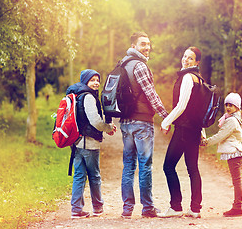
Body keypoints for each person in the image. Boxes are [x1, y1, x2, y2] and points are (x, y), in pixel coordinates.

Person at [119, 32, 169, 218]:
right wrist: (166, 117)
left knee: (128, 165)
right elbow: (151, 94)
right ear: (134, 46)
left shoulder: (122, 64)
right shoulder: (139, 65)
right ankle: (147, 208)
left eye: (148, 44)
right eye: (143, 44)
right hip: (141, 122)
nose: (147, 47)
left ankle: (127, 209)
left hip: (125, 122)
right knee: (145, 164)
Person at [159, 47, 204, 219]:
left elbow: (181, 106)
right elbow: (200, 110)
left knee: (168, 166)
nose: (186, 60)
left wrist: (165, 122)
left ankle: (176, 206)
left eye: (190, 58)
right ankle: (195, 209)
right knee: (193, 168)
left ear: (197, 62)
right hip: (194, 129)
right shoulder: (199, 79)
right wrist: (203, 133)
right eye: (185, 56)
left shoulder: (187, 77)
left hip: (184, 130)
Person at [66, 69, 116, 219]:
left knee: (79, 175)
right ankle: (98, 207)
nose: (96, 83)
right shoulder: (88, 97)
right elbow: (95, 121)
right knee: (94, 175)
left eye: (97, 80)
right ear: (85, 81)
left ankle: (76, 209)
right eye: (92, 80)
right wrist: (108, 128)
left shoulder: (77, 95)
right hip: (89, 143)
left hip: (76, 142)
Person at [200, 92, 242, 217]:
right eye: (226, 104)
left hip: (234, 153)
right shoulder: (233, 118)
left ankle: (237, 207)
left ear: (237, 106)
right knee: (236, 181)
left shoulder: (232, 120)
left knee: (237, 181)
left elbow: (220, 136)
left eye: (231, 105)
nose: (228, 107)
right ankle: (237, 206)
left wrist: (205, 142)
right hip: (235, 153)